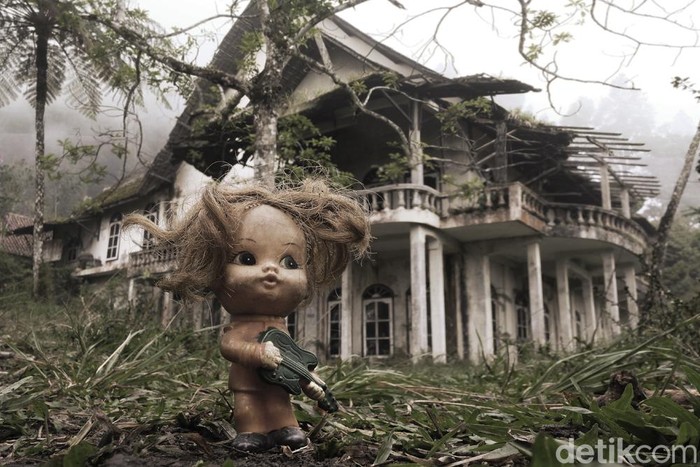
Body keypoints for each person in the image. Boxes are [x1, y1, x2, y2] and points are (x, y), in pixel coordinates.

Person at [124, 179, 371, 452]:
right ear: (213, 273)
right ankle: (252, 430)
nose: (271, 270)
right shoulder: (240, 326)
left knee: (280, 404)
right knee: (248, 405)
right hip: (247, 383)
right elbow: (229, 345)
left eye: (289, 262)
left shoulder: (280, 326)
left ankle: (287, 428)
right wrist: (257, 353)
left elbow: (292, 358)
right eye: (247, 259)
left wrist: (308, 380)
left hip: (278, 386)